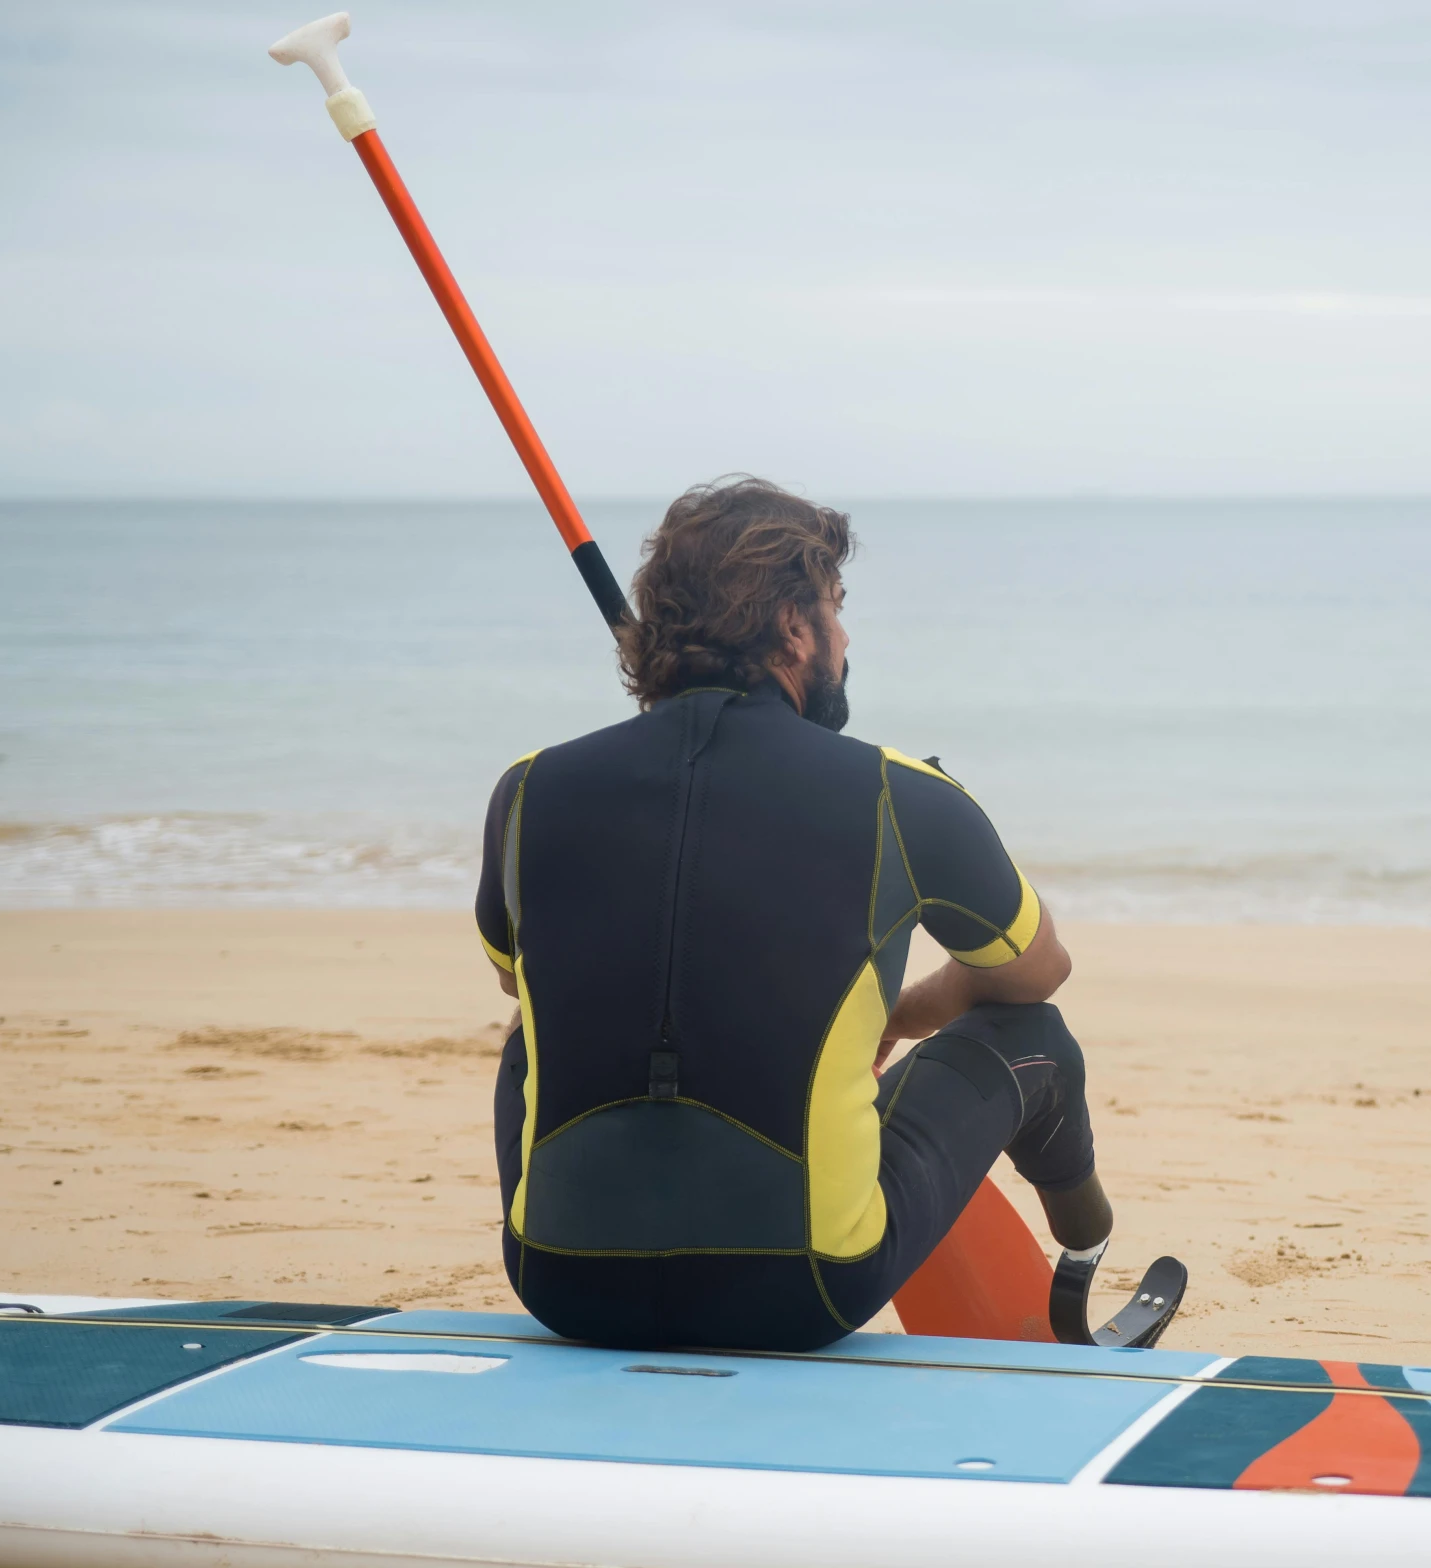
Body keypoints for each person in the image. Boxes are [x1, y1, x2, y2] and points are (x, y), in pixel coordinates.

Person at [473, 476, 1112, 1351]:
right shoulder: (900, 795)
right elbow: (1035, 970)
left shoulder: (527, 790)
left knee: (526, 1033)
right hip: (798, 1289)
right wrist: (903, 1011)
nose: (845, 637)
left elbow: (520, 977)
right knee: (1033, 1034)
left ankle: (591, 1221)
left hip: (563, 1281)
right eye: (836, 607)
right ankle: (1085, 1251)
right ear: (792, 626)